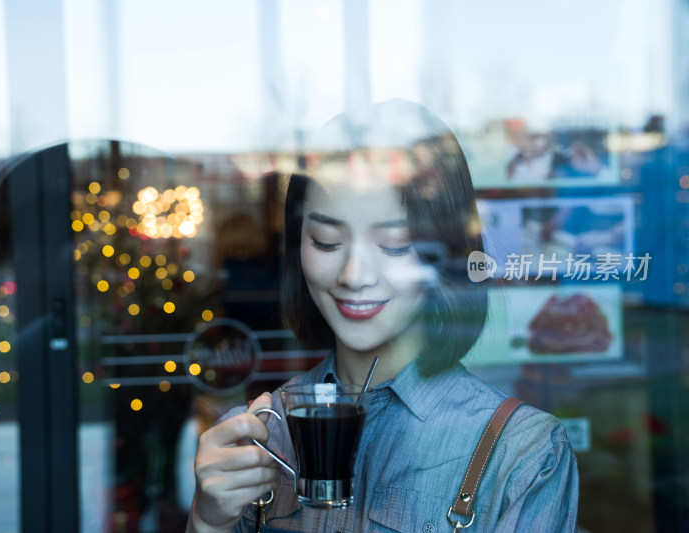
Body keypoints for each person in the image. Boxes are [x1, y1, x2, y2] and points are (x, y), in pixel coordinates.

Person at [187, 100, 579, 532]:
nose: (355, 276)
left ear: (446, 254)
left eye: (393, 245)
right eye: (326, 240)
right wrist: (208, 522)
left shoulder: (523, 454)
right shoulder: (256, 440)